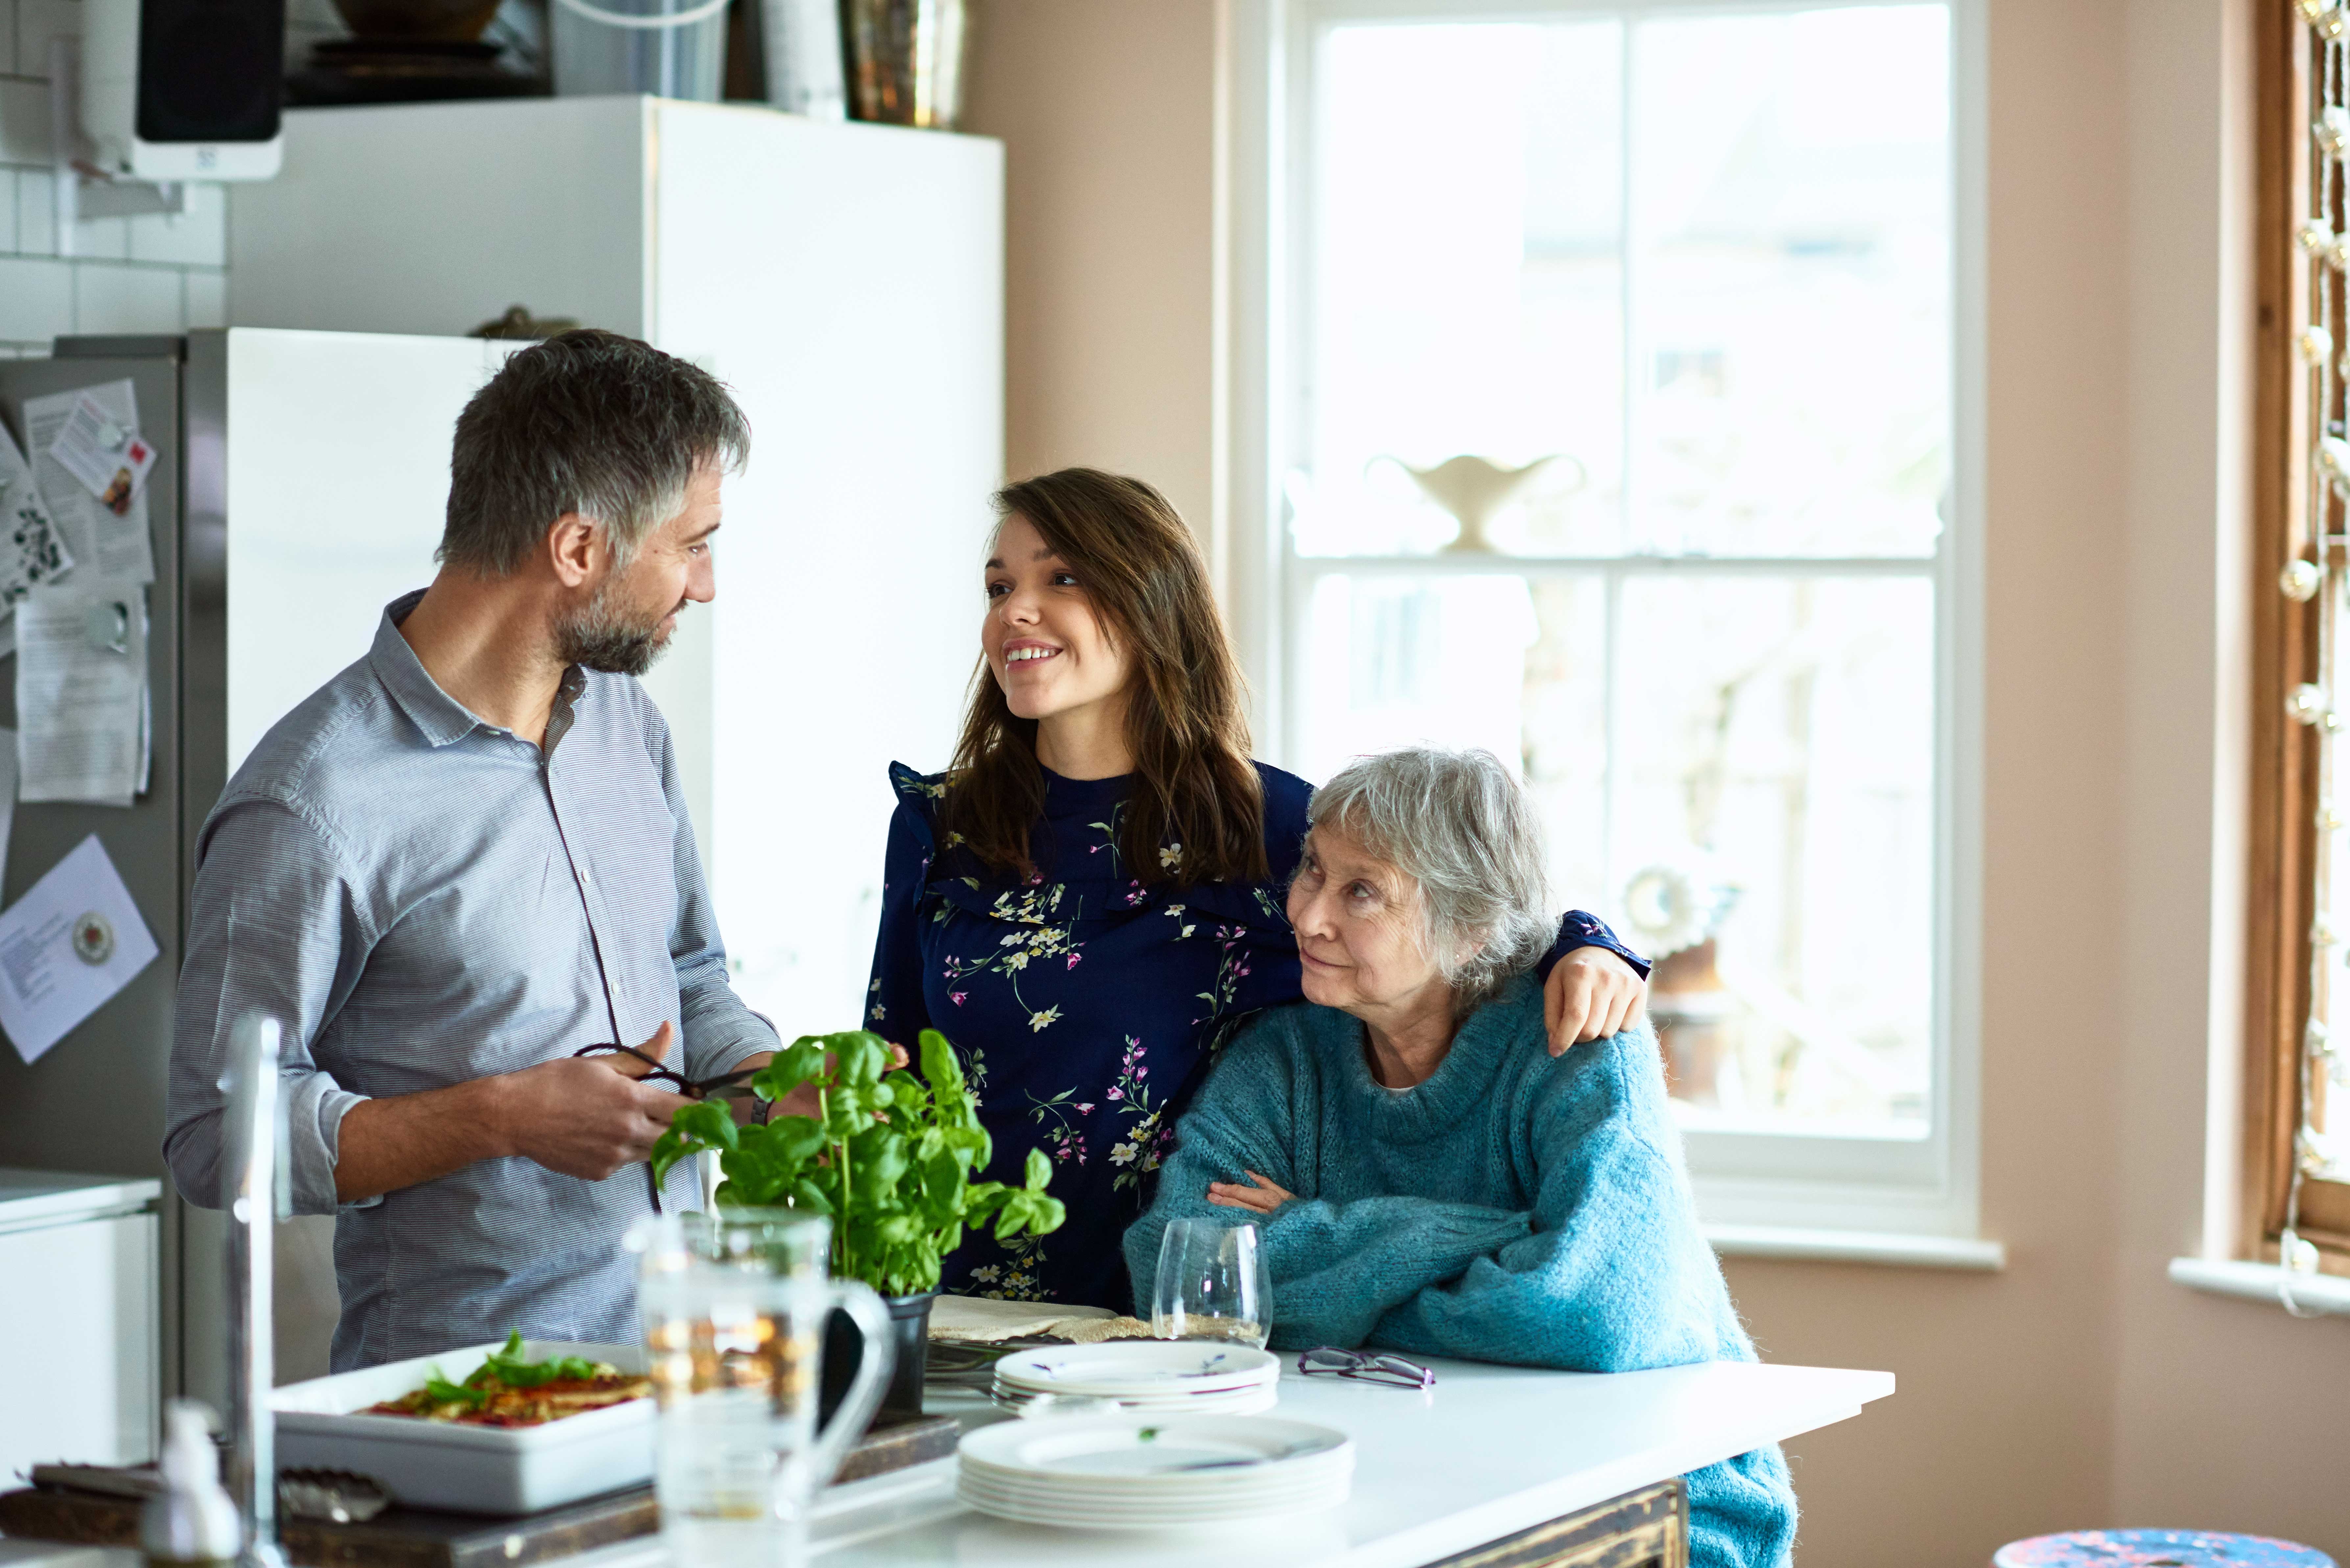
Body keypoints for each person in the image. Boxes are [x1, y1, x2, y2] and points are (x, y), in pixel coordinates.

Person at [867, 469, 1650, 1311]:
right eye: (999, 585)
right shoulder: (939, 824)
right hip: (952, 1302)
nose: (1014, 610)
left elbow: (1452, 919)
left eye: (1061, 578)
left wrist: (1592, 942)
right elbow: (891, 1057)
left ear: (1151, 601)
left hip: (1179, 1310)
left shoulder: (1268, 824)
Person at [165, 330, 780, 1370]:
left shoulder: (627, 726)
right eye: (692, 543)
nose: (705, 583)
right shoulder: (311, 801)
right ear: (579, 549)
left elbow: (689, 975)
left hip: (674, 1367)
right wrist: (502, 1118)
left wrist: (768, 1077)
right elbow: (217, 1138)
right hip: (463, 1396)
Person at [1124, 746, 1796, 1568]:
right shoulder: (1284, 1057)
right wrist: (1491, 1236)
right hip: (1402, 1481)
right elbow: (1181, 1269)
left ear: (1469, 924)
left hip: (1650, 1497)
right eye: (1312, 870)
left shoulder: (1579, 1045)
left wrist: (1309, 1242)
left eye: (1360, 891)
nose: (1306, 916)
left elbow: (1594, 1312)